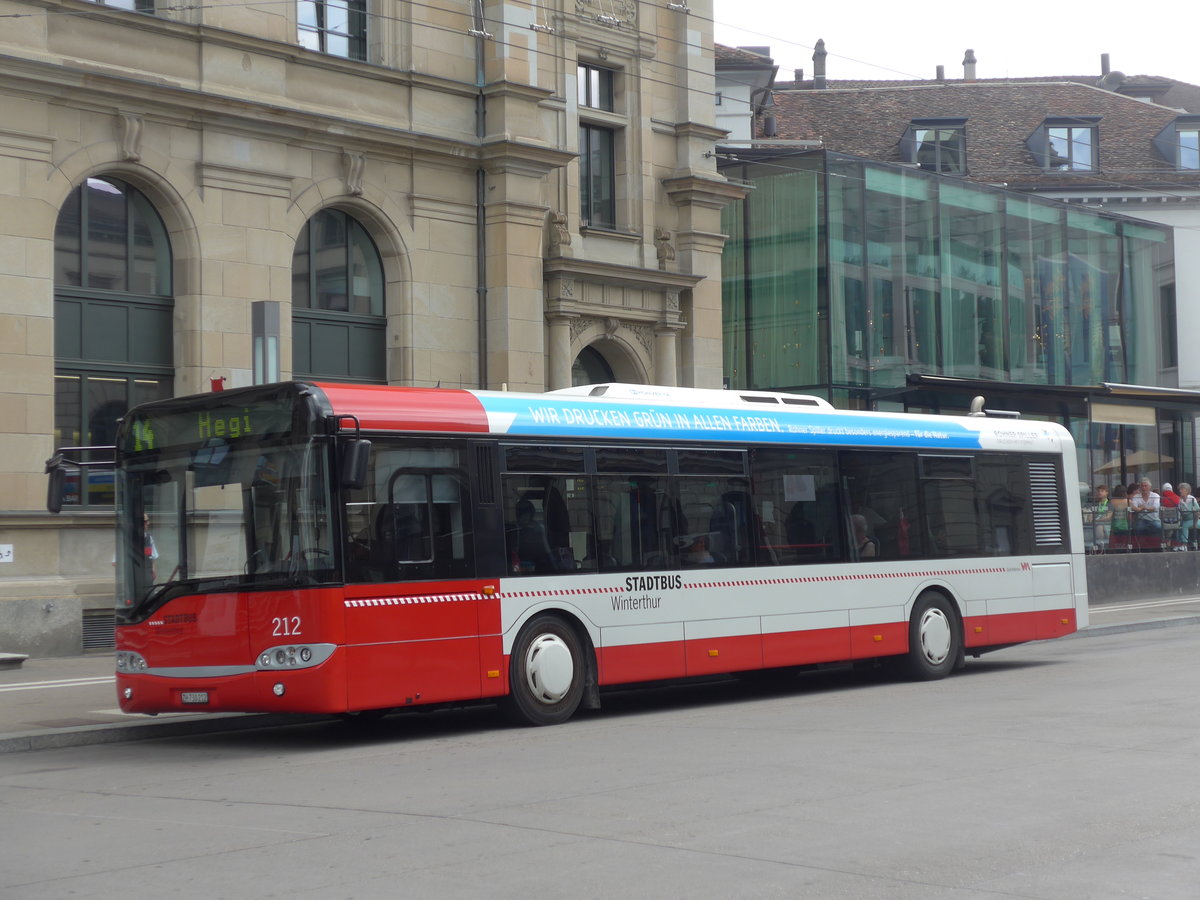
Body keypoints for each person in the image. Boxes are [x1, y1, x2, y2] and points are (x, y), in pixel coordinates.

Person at [1129, 478, 1162, 551]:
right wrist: (1147, 508)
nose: (1144, 488)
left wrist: (1143, 507)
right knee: (1138, 528)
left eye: (1146, 486)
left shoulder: (1155, 495)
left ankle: (1157, 546)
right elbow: (1134, 508)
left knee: (1158, 527)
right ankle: (1140, 547)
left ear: (1150, 487)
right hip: (1141, 519)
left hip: (1154, 519)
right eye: (1142, 486)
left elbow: (1155, 507)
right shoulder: (1136, 496)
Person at [1175, 482, 1198, 550]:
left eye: (1182, 489)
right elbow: (1179, 512)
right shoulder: (1181, 501)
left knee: (1184, 525)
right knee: (1178, 527)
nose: (1180, 491)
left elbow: (1197, 511)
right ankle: (1179, 544)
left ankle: (1185, 545)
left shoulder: (1192, 499)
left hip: (1194, 520)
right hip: (1185, 520)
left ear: (1187, 491)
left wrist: (1195, 523)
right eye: (1180, 489)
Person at [1108, 484, 1130, 552]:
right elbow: (1136, 509)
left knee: (1115, 544)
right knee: (1124, 543)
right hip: (1124, 525)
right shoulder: (1127, 501)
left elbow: (1110, 513)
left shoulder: (1112, 501)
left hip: (1114, 525)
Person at [1091, 485, 1111, 554]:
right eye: (1098, 491)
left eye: (1102, 491)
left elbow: (1108, 517)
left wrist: (1097, 520)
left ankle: (1102, 547)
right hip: (1095, 524)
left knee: (1099, 527)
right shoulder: (1095, 503)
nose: (1100, 493)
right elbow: (1090, 515)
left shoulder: (1110, 503)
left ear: (1107, 492)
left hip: (1107, 525)